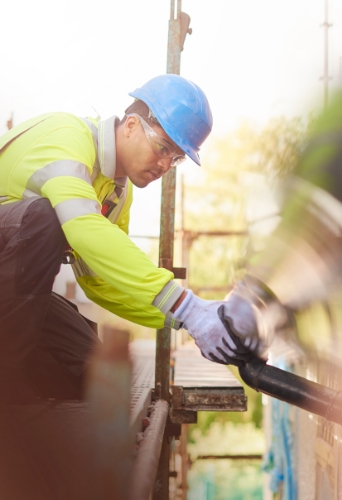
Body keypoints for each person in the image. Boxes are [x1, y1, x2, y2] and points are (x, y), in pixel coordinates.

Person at [0, 74, 258, 401]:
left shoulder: (118, 194)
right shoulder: (68, 138)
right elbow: (84, 229)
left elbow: (102, 282)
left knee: (99, 378)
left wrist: (190, 319)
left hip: (8, 290)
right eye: (163, 147)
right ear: (132, 125)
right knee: (44, 218)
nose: (166, 164)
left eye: (176, 158)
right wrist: (187, 305)